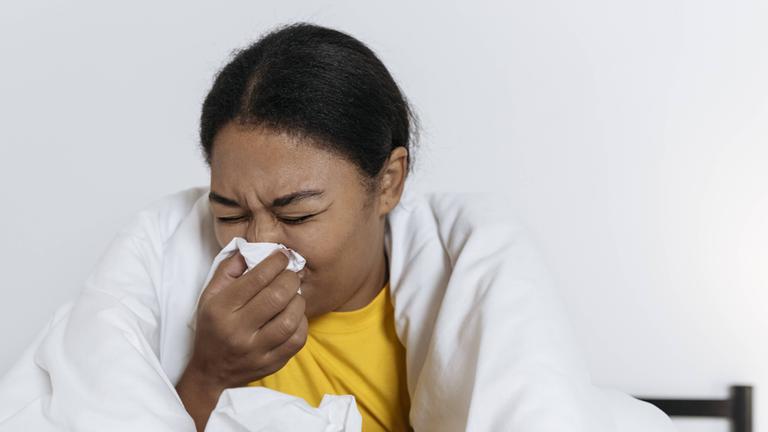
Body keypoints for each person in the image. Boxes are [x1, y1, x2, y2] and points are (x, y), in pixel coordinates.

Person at [175, 23, 418, 432]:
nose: (261, 244)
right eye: (230, 215)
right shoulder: (202, 313)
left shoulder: (443, 337)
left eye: (296, 216)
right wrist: (208, 376)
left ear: (388, 182)